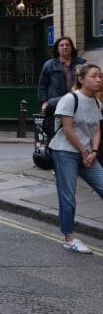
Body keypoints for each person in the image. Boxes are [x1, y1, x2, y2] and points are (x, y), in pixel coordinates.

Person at [48, 63, 103, 254]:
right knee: (68, 196)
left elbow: (96, 129)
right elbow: (68, 128)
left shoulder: (97, 103)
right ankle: (69, 237)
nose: (99, 80)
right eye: (94, 76)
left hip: (88, 154)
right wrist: (83, 150)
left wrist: (94, 151)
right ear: (81, 79)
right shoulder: (70, 99)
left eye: (100, 77)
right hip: (65, 152)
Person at [37, 36, 86, 111]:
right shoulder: (49, 64)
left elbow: (88, 82)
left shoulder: (81, 63)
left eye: (67, 45)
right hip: (56, 102)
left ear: (72, 48)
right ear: (57, 49)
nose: (65, 47)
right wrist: (44, 102)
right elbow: (42, 85)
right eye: (61, 45)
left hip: (78, 101)